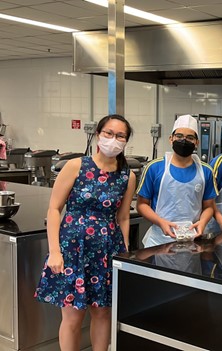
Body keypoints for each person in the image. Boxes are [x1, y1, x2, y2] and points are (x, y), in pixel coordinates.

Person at [34, 114, 136, 351]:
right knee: (73, 316)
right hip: (73, 249)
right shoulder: (76, 165)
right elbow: (54, 208)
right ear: (98, 134)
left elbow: (123, 217)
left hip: (108, 250)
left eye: (120, 135)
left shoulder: (127, 176)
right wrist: (54, 251)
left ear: (126, 141)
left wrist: (125, 254)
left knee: (102, 313)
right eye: (109, 133)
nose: (114, 139)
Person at [137, 114, 217, 247]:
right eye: (179, 136)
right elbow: (141, 205)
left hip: (192, 241)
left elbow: (208, 206)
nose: (184, 140)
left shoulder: (206, 171)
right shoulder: (155, 168)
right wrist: (161, 222)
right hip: (159, 242)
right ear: (171, 139)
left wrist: (202, 223)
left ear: (196, 142)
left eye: (190, 138)